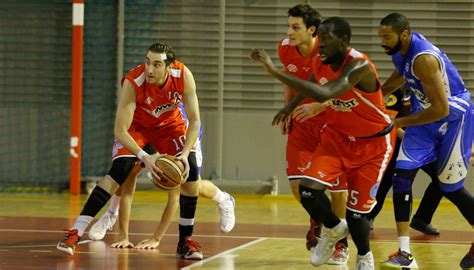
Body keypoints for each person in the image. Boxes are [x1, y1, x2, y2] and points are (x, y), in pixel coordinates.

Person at [251, 16, 396, 270]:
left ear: (344, 41)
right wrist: (289, 107)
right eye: (320, 41)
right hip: (337, 138)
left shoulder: (358, 66)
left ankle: (364, 256)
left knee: (357, 215)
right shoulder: (319, 61)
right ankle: (333, 228)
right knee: (307, 190)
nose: (321, 46)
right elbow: (310, 85)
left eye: (327, 40)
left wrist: (274, 72)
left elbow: (326, 93)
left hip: (372, 145)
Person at [57, 42, 210, 260]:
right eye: (147, 62)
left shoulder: (183, 75)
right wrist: (144, 156)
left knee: (191, 173)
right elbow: (120, 130)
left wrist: (185, 154)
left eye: (157, 64)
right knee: (120, 169)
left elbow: (195, 121)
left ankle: (185, 242)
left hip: (170, 127)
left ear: (169, 66)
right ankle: (75, 232)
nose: (149, 69)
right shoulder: (133, 82)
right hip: (136, 128)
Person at [377, 13, 474, 269]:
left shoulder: (425, 60)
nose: (382, 42)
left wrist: (396, 123)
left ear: (405, 34)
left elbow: (441, 110)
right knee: (402, 176)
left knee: (449, 187)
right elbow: (402, 75)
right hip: (426, 113)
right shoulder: (400, 52)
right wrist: (381, 92)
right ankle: (405, 254)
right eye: (380, 37)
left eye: (387, 37)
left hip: (453, 116)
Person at [277, 4, 349, 264]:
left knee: (338, 189)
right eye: (288, 26)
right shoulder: (285, 47)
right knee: (297, 185)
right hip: (303, 125)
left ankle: (341, 243)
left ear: (312, 30)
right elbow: (289, 78)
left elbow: (345, 90)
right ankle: (318, 218)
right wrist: (287, 110)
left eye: (295, 27)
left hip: (333, 125)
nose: (290, 31)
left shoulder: (331, 51)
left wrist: (319, 105)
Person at [88, 138, 236, 244]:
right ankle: (111, 213)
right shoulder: (140, 130)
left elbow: (174, 200)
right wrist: (123, 237)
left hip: (182, 134)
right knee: (126, 172)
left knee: (190, 186)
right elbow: (127, 189)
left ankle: (224, 199)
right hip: (151, 127)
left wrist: (156, 238)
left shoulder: (173, 147)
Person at [368, 85, 443, 236]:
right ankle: (368, 216)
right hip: (399, 145)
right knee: (386, 181)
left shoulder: (432, 91)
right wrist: (410, 140)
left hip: (423, 147)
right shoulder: (398, 91)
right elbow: (389, 123)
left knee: (442, 178)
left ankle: (422, 219)